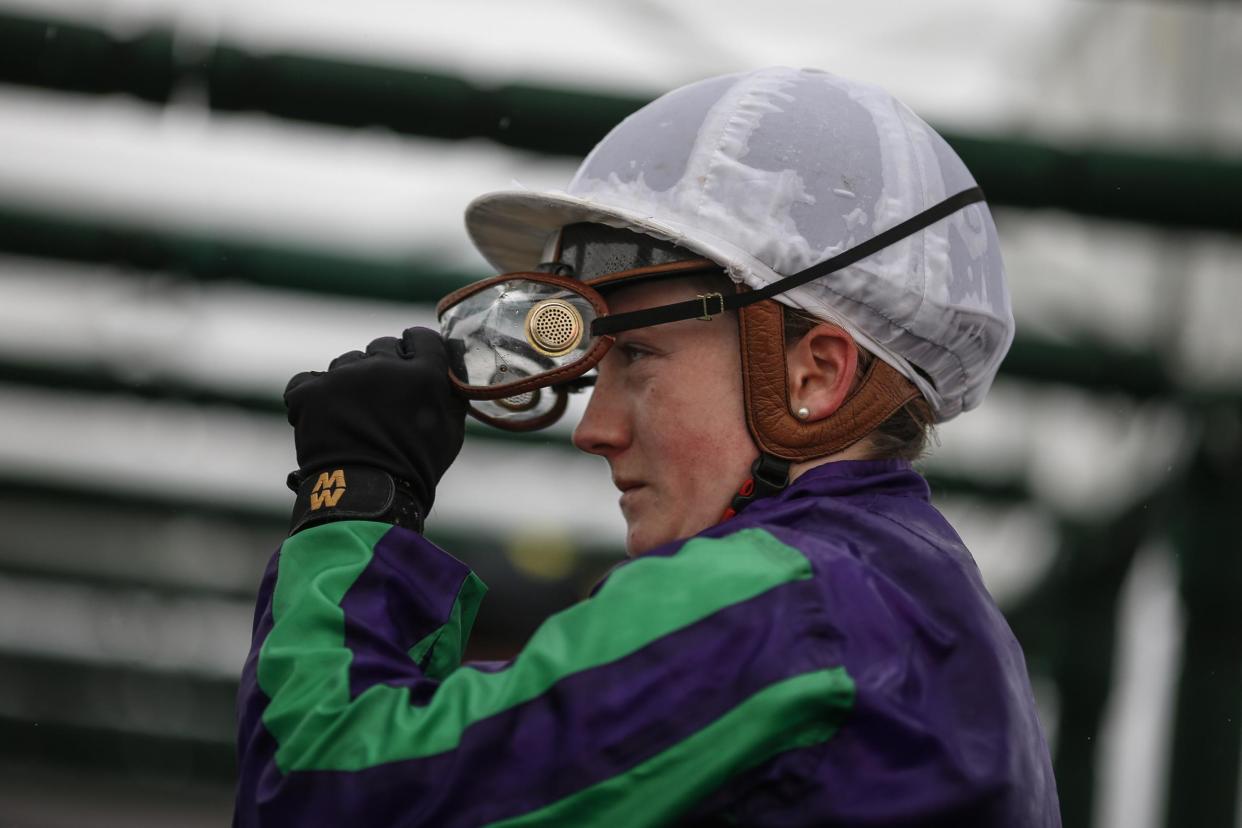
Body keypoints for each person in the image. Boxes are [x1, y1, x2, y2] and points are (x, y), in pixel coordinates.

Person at [234, 67, 1061, 826]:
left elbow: (321, 792)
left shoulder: (780, 603)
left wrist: (358, 495)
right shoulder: (917, 610)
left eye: (635, 356)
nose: (594, 430)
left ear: (815, 373)